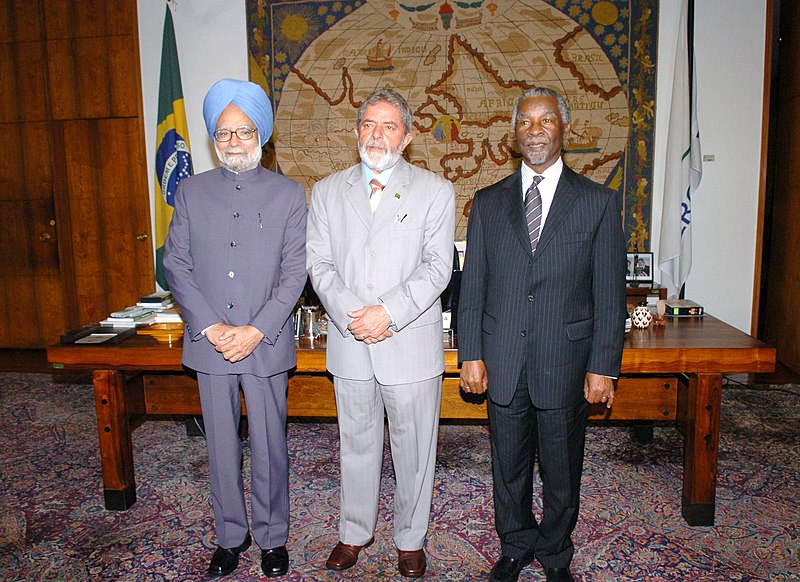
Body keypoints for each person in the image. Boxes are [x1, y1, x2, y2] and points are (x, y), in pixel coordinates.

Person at [458, 87, 626, 582]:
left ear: (564, 130)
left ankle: (555, 553)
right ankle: (514, 544)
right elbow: (473, 289)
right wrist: (471, 353)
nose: (535, 129)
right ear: (514, 135)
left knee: (561, 468)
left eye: (546, 120)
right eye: (526, 122)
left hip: (565, 360)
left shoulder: (597, 202)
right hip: (503, 358)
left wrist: (602, 366)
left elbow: (609, 295)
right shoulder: (487, 204)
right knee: (507, 466)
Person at [306, 88, 455, 578]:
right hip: (351, 342)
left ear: (407, 137)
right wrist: (356, 314)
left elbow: (438, 268)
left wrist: (386, 313)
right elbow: (320, 265)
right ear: (356, 132)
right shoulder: (327, 191)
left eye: (389, 126)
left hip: (407, 342)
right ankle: (354, 532)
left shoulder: (435, 191)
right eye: (369, 124)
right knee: (356, 442)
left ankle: (411, 538)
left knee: (415, 449)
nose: (377, 134)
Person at [163, 79, 307, 579]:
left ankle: (272, 537)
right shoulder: (191, 191)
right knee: (220, 444)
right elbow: (175, 265)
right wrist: (211, 326)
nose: (233, 142)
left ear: (261, 135)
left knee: (269, 442)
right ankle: (230, 535)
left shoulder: (290, 194)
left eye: (243, 131)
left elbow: (295, 274)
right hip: (210, 344)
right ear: (212, 138)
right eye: (223, 133)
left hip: (263, 345)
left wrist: (256, 329)